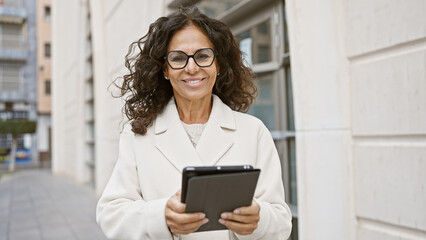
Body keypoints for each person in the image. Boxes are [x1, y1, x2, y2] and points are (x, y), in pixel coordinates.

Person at [96, 7, 292, 240]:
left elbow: (281, 221)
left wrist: (258, 219)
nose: (192, 67)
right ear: (165, 70)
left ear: (218, 65)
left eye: (203, 56)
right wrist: (161, 217)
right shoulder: (138, 134)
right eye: (178, 58)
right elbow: (110, 213)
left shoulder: (253, 131)